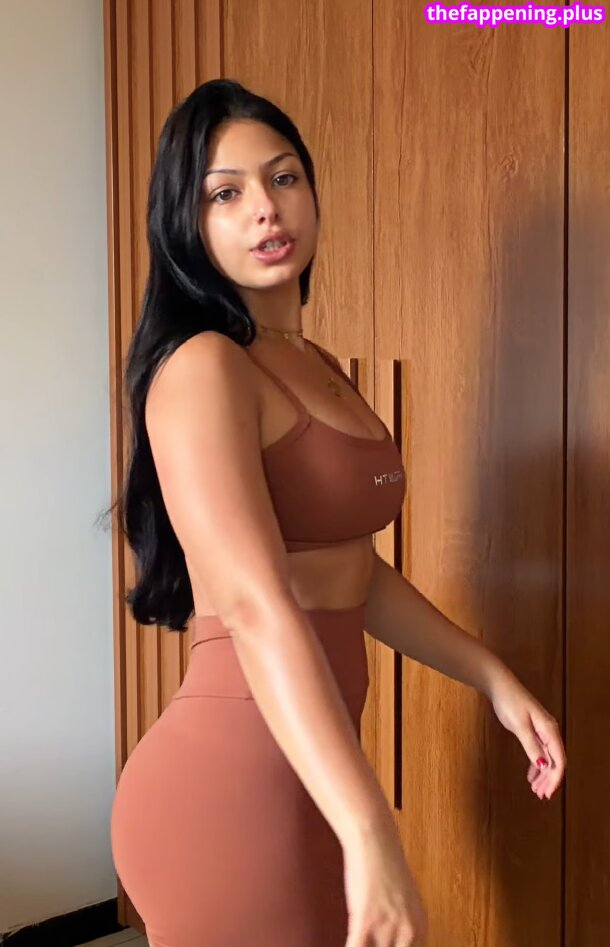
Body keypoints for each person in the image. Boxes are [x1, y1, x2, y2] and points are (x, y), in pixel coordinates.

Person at [108, 79, 565, 947]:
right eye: (225, 193)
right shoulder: (205, 367)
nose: (264, 208)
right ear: (186, 225)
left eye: (283, 177)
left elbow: (352, 575)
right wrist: (371, 829)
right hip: (232, 790)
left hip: (314, 780)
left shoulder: (312, 361)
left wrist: (493, 678)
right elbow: (256, 604)